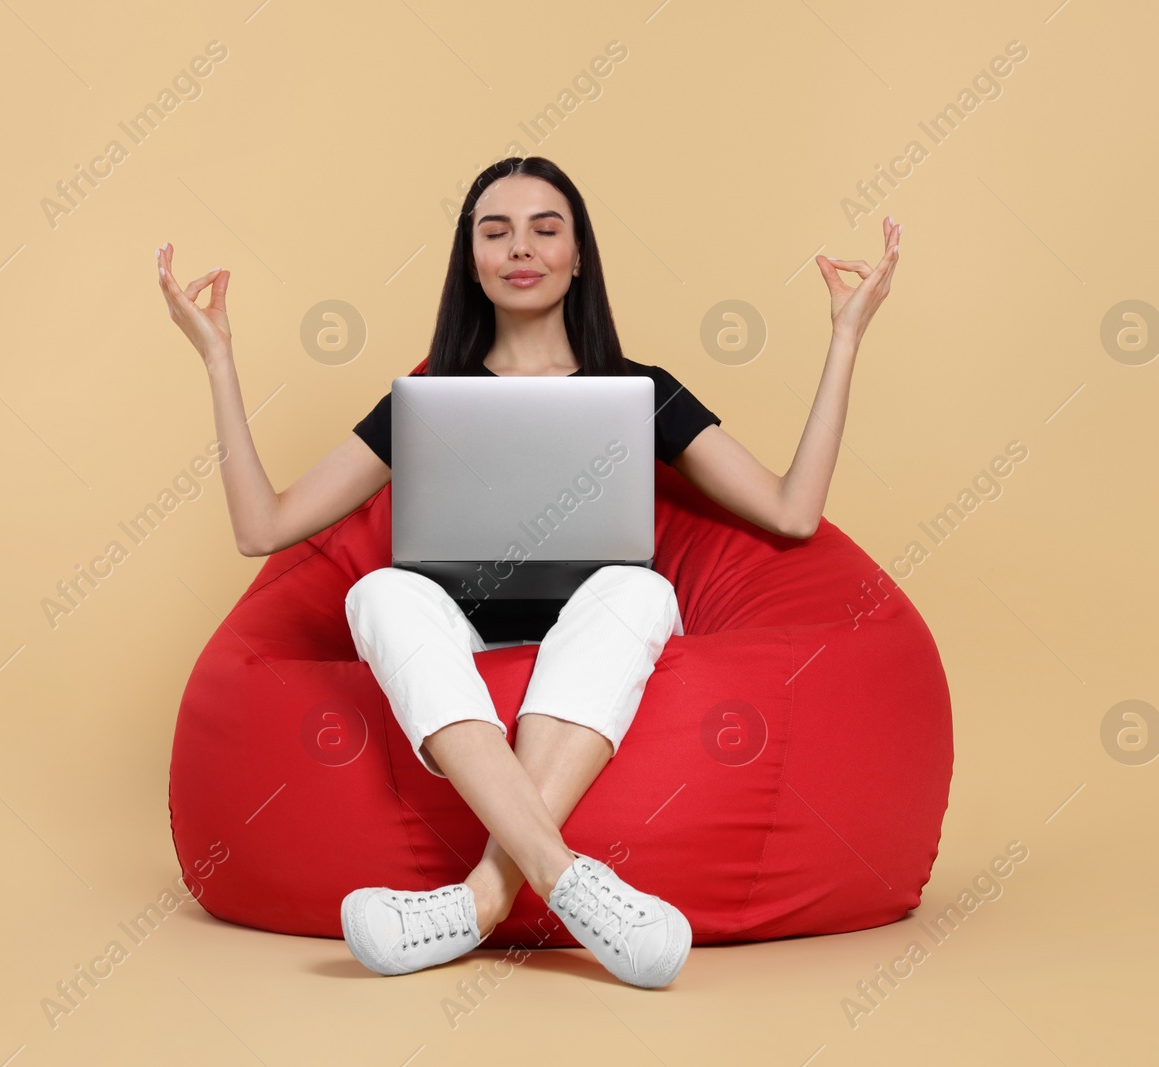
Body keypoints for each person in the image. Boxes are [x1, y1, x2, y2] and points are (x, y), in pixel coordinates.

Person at [154, 155, 901, 989]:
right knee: (378, 591)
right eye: (495, 229)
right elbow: (264, 526)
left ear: (578, 255)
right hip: (467, 638)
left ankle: (473, 902)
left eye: (546, 229)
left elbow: (792, 510)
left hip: (602, 632)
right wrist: (218, 360)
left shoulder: (640, 390)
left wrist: (845, 337)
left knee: (641, 585)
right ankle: (562, 879)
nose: (521, 248)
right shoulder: (425, 398)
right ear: (469, 259)